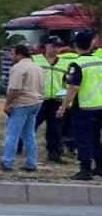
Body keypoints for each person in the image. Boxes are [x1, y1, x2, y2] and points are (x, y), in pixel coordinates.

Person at [58, 31, 101, 180]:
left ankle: (85, 169)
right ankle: (100, 167)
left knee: (83, 139)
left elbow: (73, 87)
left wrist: (63, 106)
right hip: (99, 106)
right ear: (92, 44)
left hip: (83, 107)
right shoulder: (99, 61)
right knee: (96, 138)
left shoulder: (77, 64)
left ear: (75, 45)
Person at [0, 45, 44, 172]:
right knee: (29, 134)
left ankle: (7, 162)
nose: (11, 57)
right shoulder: (38, 67)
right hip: (36, 102)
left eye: (12, 54)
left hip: (21, 104)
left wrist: (7, 103)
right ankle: (31, 162)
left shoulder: (18, 68)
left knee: (12, 134)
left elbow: (15, 89)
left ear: (19, 55)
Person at [32, 36, 69, 163]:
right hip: (39, 99)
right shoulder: (35, 60)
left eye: (58, 47)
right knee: (32, 125)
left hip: (56, 101)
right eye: (54, 46)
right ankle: (20, 147)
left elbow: (66, 82)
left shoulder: (65, 62)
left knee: (55, 129)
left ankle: (54, 152)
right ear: (46, 46)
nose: (56, 49)